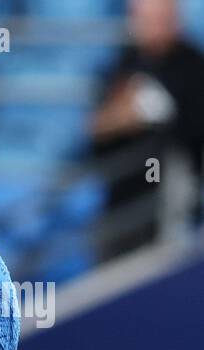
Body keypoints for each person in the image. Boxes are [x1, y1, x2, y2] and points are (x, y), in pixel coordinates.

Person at [91, 0, 204, 259]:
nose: (154, 27)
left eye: (162, 18)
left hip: (171, 200)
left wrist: (154, 114)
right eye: (147, 18)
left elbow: (194, 132)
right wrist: (123, 117)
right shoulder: (123, 61)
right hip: (122, 199)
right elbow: (96, 128)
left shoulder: (193, 65)